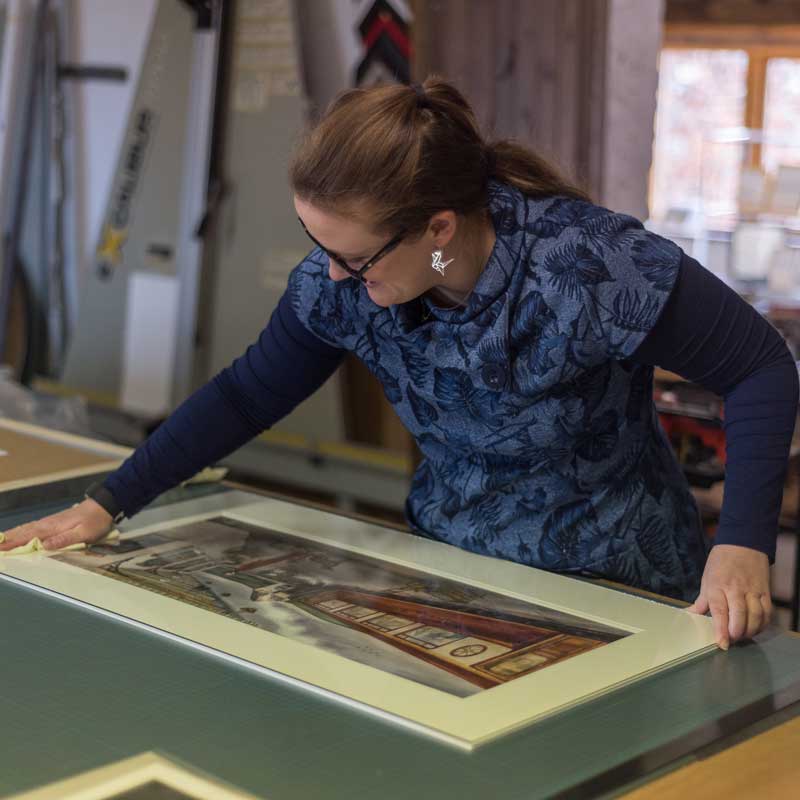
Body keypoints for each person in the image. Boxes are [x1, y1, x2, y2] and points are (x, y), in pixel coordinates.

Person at [2, 78, 797, 650]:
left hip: (623, 585)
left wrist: (743, 542)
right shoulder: (344, 279)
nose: (333, 276)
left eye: (354, 257)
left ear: (439, 228)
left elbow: (762, 367)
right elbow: (246, 396)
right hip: (456, 581)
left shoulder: (589, 265)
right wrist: (109, 503)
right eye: (320, 248)